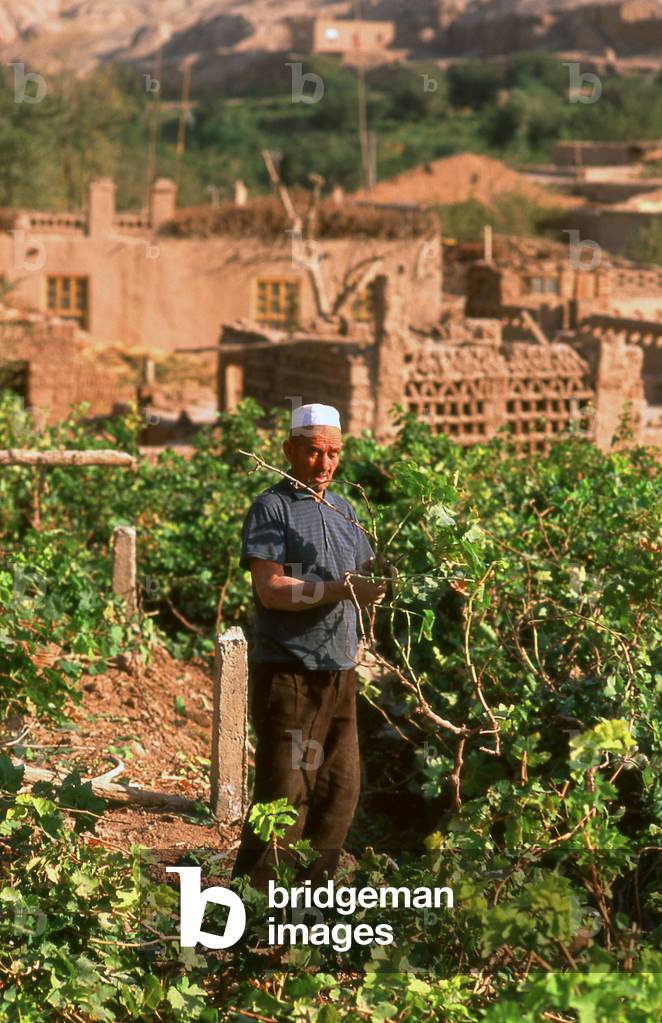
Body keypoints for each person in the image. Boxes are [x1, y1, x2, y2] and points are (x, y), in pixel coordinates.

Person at [231, 403, 386, 889]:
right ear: (289, 451)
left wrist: (409, 580)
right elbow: (271, 590)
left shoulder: (345, 511)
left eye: (334, 453)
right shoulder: (272, 508)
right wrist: (340, 590)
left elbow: (370, 578)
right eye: (314, 452)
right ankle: (253, 912)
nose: (324, 464)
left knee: (339, 793)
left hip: (339, 673)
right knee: (284, 798)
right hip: (289, 674)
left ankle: (308, 911)